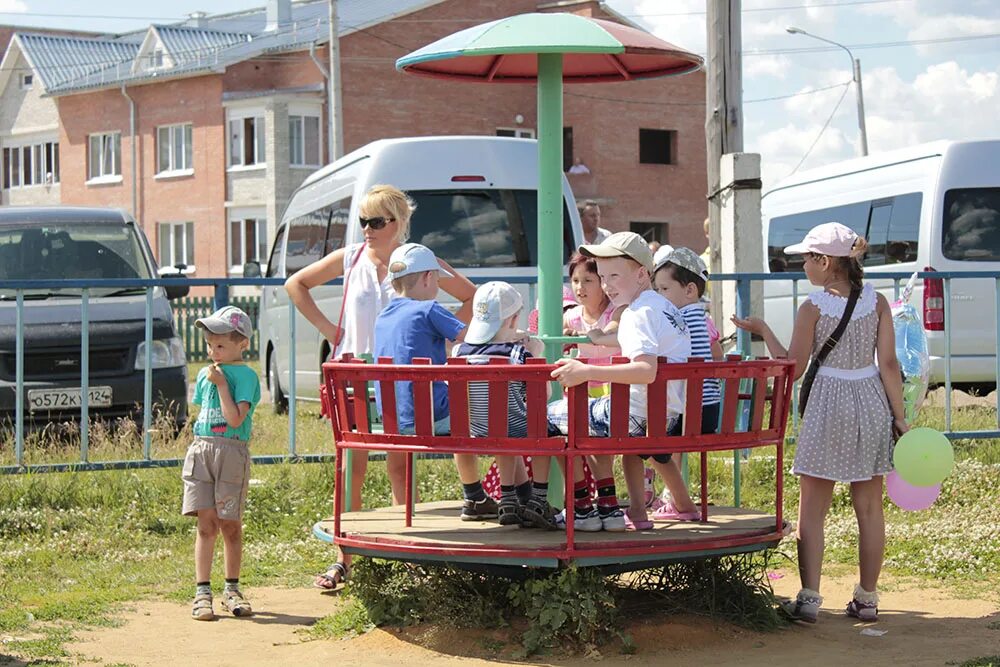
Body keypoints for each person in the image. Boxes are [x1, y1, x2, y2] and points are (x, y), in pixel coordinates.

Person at [286, 184, 475, 590]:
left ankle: (406, 554)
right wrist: (330, 331)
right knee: (350, 466)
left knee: (399, 466)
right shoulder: (350, 257)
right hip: (356, 375)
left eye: (376, 221)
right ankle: (345, 558)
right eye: (363, 220)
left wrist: (439, 338)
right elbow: (295, 285)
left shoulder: (421, 262)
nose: (367, 228)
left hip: (401, 381)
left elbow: (472, 297)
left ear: (399, 222)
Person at [732, 221, 908, 624]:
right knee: (869, 509)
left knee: (812, 509)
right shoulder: (877, 301)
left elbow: (791, 369)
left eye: (807, 259)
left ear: (826, 262)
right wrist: (900, 418)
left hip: (828, 402)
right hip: (870, 400)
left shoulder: (812, 307)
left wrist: (762, 330)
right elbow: (889, 364)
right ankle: (867, 599)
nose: (803, 266)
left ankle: (809, 598)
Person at [546, 232, 690, 532]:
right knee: (586, 419)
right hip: (666, 416)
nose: (607, 285)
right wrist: (602, 338)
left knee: (546, 417)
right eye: (602, 276)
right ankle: (628, 511)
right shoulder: (665, 309)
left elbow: (645, 370)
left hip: (633, 417)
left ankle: (583, 508)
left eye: (614, 276)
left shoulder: (638, 314)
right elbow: (644, 346)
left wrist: (586, 372)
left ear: (641, 274)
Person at [373, 243, 497, 521]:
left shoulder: (383, 316)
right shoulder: (429, 309)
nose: (437, 287)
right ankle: (508, 495)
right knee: (500, 416)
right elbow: (474, 340)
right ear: (428, 277)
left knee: (462, 416)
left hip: (395, 420)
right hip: (432, 416)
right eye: (438, 281)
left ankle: (477, 496)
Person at [182, 306, 261, 621]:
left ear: (241, 344)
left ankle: (232, 589)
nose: (212, 351)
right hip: (203, 451)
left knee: (230, 525)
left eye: (220, 345)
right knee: (205, 525)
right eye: (209, 344)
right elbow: (202, 413)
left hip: (231, 453)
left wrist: (222, 385)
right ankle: (203, 592)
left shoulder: (245, 376)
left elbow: (234, 418)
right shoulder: (205, 374)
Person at [454, 282, 546, 525]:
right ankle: (510, 498)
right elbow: (542, 396)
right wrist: (537, 354)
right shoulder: (517, 355)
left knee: (501, 423)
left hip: (472, 433)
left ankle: (518, 497)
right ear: (514, 320)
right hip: (512, 431)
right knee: (510, 425)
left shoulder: (459, 354)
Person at [646, 247, 721, 522]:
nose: (659, 295)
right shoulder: (699, 318)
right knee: (660, 438)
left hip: (693, 410)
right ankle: (673, 498)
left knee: (649, 441)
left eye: (664, 289)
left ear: (689, 291)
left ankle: (677, 501)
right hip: (707, 408)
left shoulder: (680, 319)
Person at [562, 252, 624, 398]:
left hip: (614, 384)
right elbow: (551, 336)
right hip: (582, 385)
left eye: (588, 280)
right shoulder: (572, 315)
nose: (580, 287)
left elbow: (608, 332)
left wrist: (583, 336)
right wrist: (564, 338)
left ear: (603, 283)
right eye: (575, 280)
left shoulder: (617, 310)